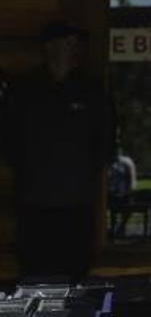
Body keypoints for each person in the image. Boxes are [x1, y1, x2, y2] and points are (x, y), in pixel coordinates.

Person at [5, 21, 113, 281]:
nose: (77, 50)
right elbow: (8, 142)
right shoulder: (23, 90)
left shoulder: (92, 92)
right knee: (33, 282)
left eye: (79, 45)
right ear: (49, 47)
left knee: (76, 288)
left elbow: (106, 145)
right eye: (70, 44)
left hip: (77, 209)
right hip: (33, 209)